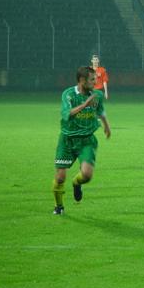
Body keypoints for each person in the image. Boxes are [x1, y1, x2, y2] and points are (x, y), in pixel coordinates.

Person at [52, 66, 111, 215]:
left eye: (96, 79)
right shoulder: (69, 94)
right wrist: (84, 105)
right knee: (60, 178)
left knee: (87, 175)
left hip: (87, 140)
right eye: (92, 79)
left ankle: (76, 183)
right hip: (68, 140)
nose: (95, 82)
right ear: (82, 80)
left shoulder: (97, 95)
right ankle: (59, 206)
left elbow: (100, 111)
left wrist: (106, 126)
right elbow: (67, 114)